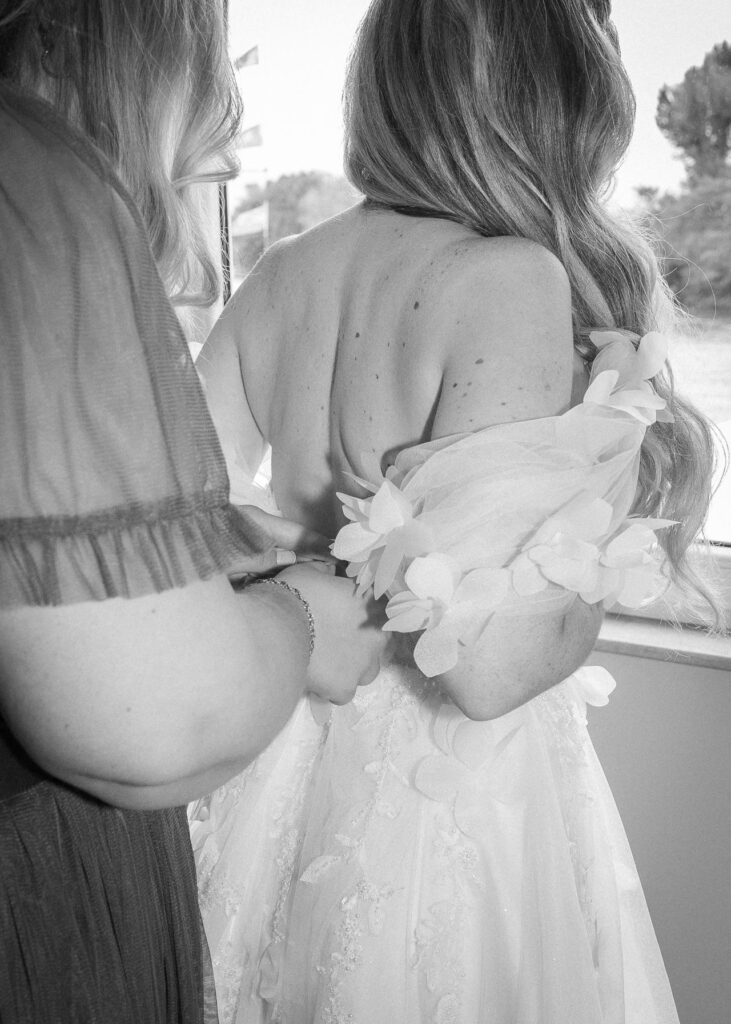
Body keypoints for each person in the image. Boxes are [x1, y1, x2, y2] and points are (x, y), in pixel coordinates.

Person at [192, 0, 720, 1021]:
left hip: (274, 739)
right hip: (438, 794)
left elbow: (177, 520)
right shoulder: (507, 276)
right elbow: (480, 670)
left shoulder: (284, 271)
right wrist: (596, 501)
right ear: (560, 95)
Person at [0, 3, 386, 1022]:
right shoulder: (27, 183)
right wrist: (301, 616)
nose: (222, 128)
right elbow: (149, 721)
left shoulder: (284, 272)